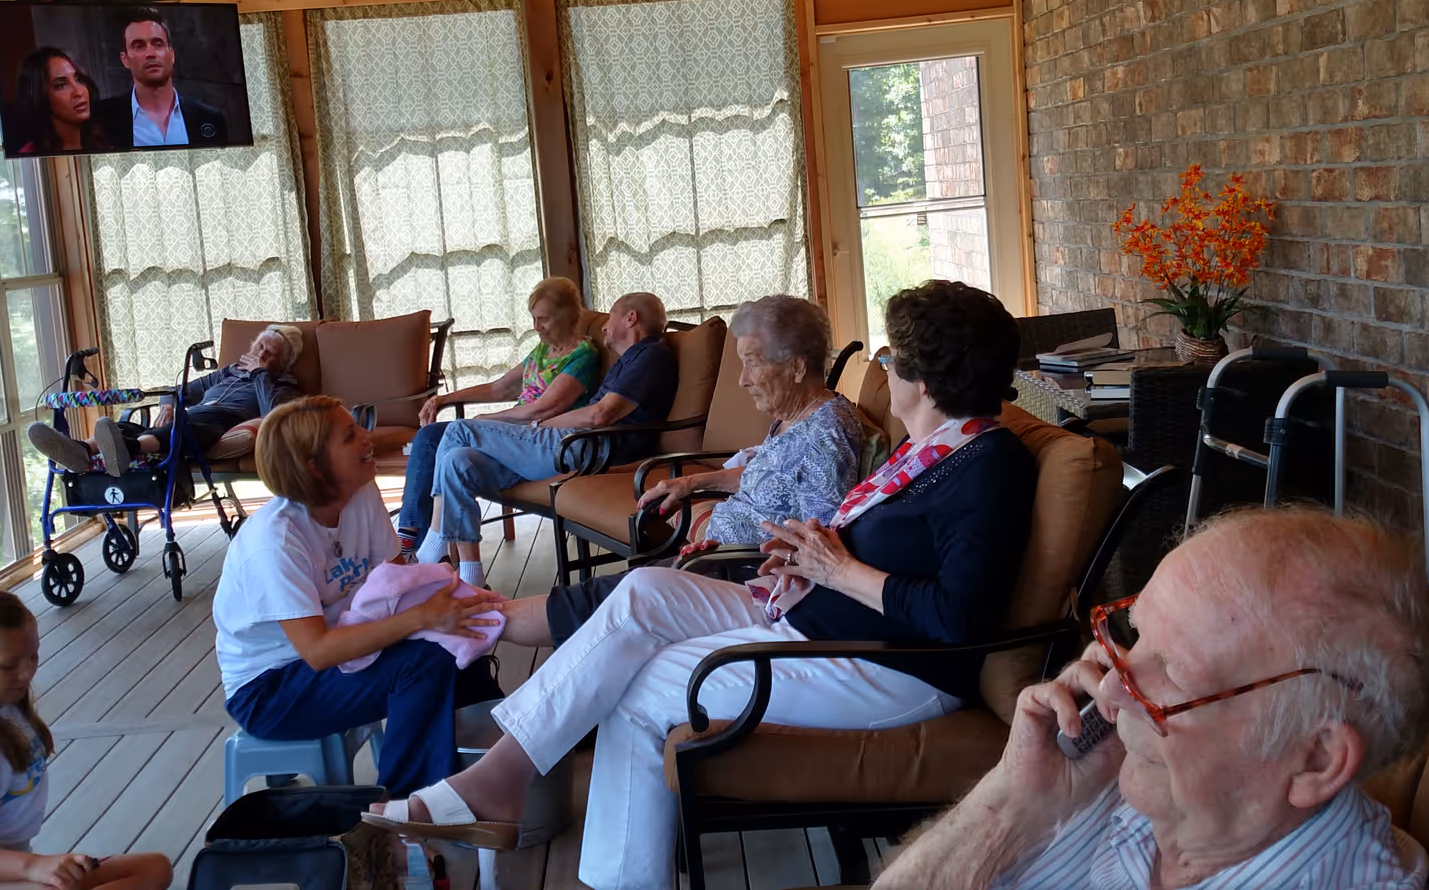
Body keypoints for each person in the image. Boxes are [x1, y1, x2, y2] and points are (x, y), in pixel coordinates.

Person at [364, 281, 1038, 890]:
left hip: (885, 669)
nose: (886, 372)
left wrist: (842, 571)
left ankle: (550, 825)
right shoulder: (932, 454)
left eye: (894, 363)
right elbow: (878, 545)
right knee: (641, 595)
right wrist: (806, 560)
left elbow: (958, 617)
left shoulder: (987, 466)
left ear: (925, 380)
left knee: (645, 683)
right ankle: (505, 777)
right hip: (815, 617)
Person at [873, 507, 1429, 890]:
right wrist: (1011, 804)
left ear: (1315, 758)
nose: (1113, 691)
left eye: (1172, 671)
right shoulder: (1131, 781)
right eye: (1135, 636)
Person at [497, 293, 867, 649]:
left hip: (740, 581)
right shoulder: (796, 417)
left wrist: (737, 556)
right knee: (612, 598)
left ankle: (488, 622)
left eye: (752, 361)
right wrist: (692, 482)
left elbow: (818, 549)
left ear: (797, 366)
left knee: (612, 603)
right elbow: (770, 474)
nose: (742, 379)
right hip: (717, 559)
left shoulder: (825, 437)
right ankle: (490, 620)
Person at [212, 396, 504, 795]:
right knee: (421, 663)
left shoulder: (360, 494)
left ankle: (509, 749)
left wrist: (454, 607)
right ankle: (406, 809)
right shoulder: (275, 541)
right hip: (270, 689)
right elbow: (318, 651)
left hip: (341, 648)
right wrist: (423, 619)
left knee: (460, 637)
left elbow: (397, 582)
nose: (367, 437)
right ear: (314, 467)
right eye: (350, 435)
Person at [0, 590, 171, 890]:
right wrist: (34, 867)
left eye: (33, 656)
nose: (27, 673)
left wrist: (36, 867)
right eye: (9, 665)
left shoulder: (3, 702)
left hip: (5, 865)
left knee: (154, 868)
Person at [421, 292, 678, 588]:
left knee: (458, 431)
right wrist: (540, 427)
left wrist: (540, 426)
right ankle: (472, 581)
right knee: (457, 461)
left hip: (588, 448)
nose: (605, 326)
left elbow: (601, 415)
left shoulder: (651, 356)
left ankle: (433, 547)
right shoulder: (630, 359)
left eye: (611, 316)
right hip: (574, 443)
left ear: (631, 318)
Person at [397, 277, 602, 561]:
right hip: (511, 434)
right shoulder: (543, 350)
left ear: (567, 316)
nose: (536, 327)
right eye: (533, 319)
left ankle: (429, 542)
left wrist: (486, 420)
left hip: (535, 438)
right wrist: (444, 398)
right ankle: (424, 544)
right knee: (435, 441)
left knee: (457, 433)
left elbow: (540, 410)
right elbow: (501, 387)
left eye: (543, 319)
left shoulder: (583, 357)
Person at [26, 324, 303, 478]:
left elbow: (274, 415)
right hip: (191, 417)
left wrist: (260, 375)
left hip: (217, 423)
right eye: (259, 347)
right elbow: (175, 390)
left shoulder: (282, 385)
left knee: (187, 425)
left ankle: (127, 450)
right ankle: (81, 450)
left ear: (281, 364)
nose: (260, 354)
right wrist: (167, 405)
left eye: (269, 353)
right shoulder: (226, 373)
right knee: (126, 427)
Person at [92, 7, 227, 148]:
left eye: (157, 44)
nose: (150, 53)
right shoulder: (101, 118)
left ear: (172, 55)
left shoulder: (209, 118)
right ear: (125, 59)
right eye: (139, 46)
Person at [13, 47, 107, 155]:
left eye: (78, 79)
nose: (79, 92)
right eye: (61, 85)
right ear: (40, 96)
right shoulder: (28, 158)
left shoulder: (101, 142)